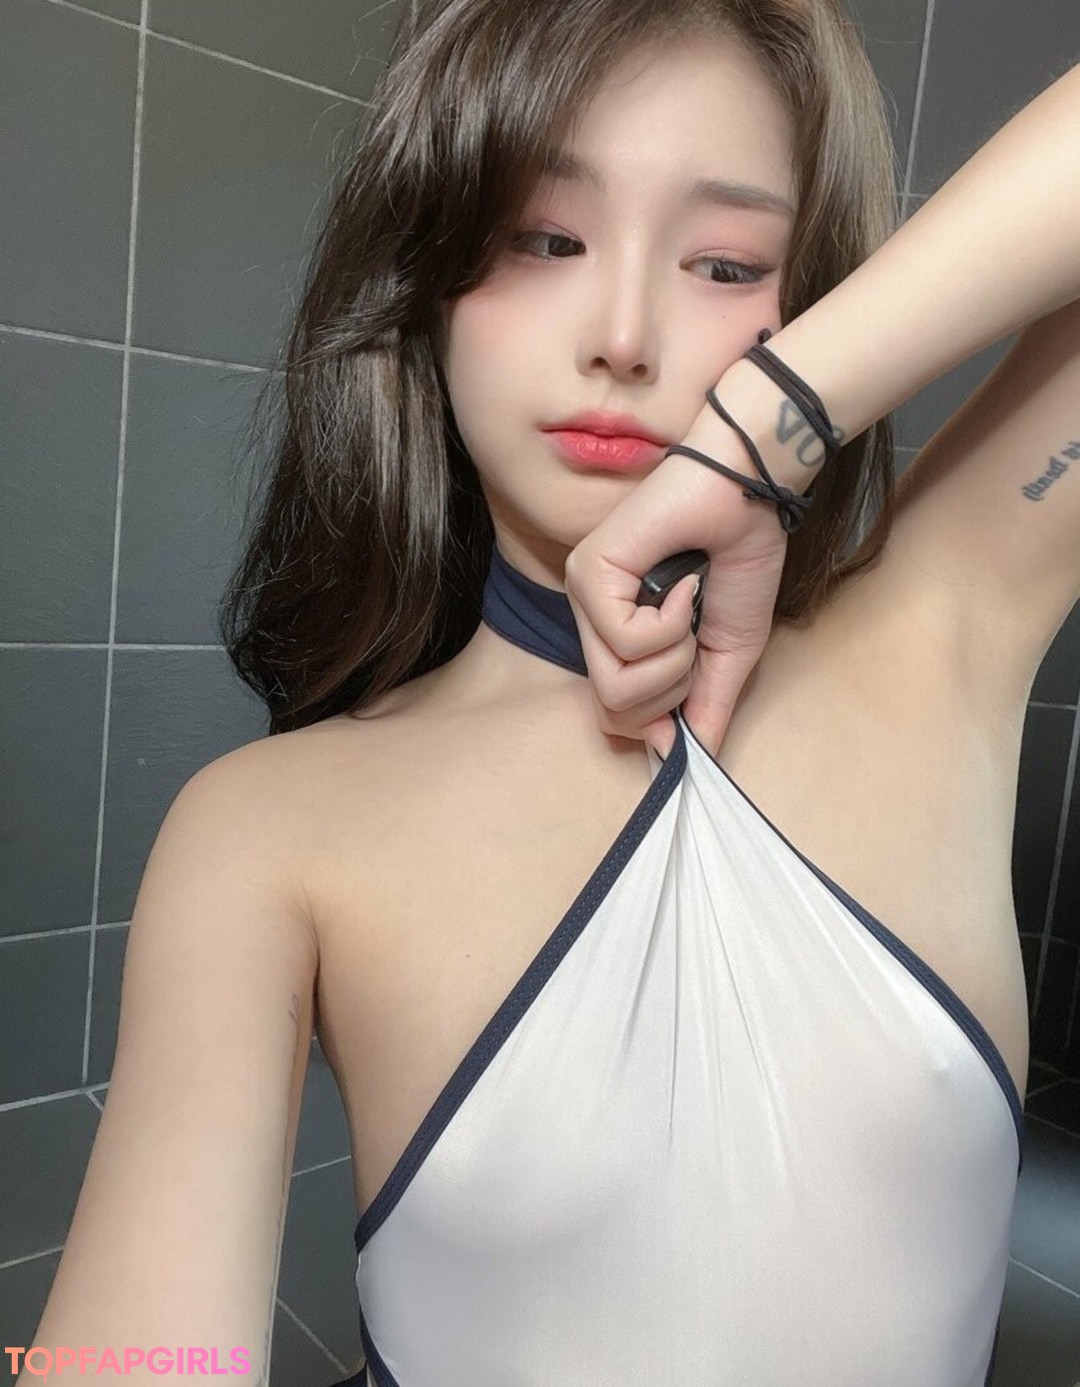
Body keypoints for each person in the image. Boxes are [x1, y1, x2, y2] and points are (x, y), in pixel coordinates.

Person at [21, 0, 1079, 1382]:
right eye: (542, 237)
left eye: (725, 262)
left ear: (811, 299)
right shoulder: (267, 832)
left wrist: (779, 420)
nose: (623, 334)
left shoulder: (938, 634)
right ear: (433, 281)